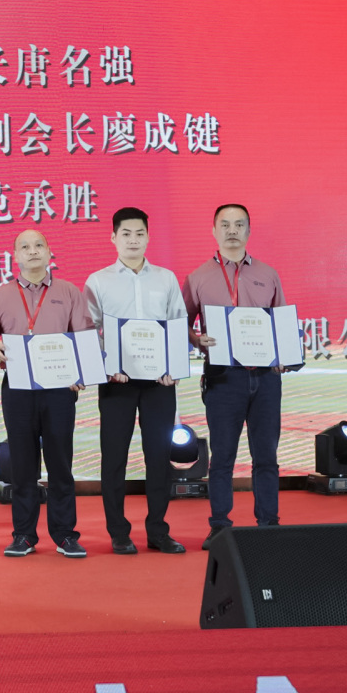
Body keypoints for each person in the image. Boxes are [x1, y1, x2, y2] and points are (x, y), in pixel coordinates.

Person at [181, 203, 291, 550]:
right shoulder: (198, 277)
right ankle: (219, 525)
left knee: (266, 455)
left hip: (266, 378)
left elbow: (281, 324)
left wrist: (285, 356)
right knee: (223, 456)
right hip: (223, 377)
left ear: (248, 231)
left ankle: (268, 523)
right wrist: (196, 340)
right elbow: (181, 323)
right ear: (214, 231)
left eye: (239, 224)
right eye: (225, 224)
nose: (232, 230)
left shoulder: (268, 274)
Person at [0, 228, 93, 558]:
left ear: (49, 251)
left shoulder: (69, 292)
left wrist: (81, 374)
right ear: (15, 256)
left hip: (59, 389)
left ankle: (65, 534)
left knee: (61, 464)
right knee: (23, 466)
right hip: (17, 389)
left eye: (39, 245)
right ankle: (24, 535)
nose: (32, 251)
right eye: (25, 247)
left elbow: (84, 338)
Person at [82, 207, 188, 556]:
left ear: (148, 237)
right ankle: (119, 532)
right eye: (125, 234)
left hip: (159, 382)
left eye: (139, 233)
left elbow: (177, 325)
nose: (133, 240)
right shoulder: (98, 281)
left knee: (159, 457)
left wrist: (174, 368)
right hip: (117, 382)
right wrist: (106, 368)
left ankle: (158, 530)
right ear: (113, 237)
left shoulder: (166, 279)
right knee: (114, 457)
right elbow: (89, 331)